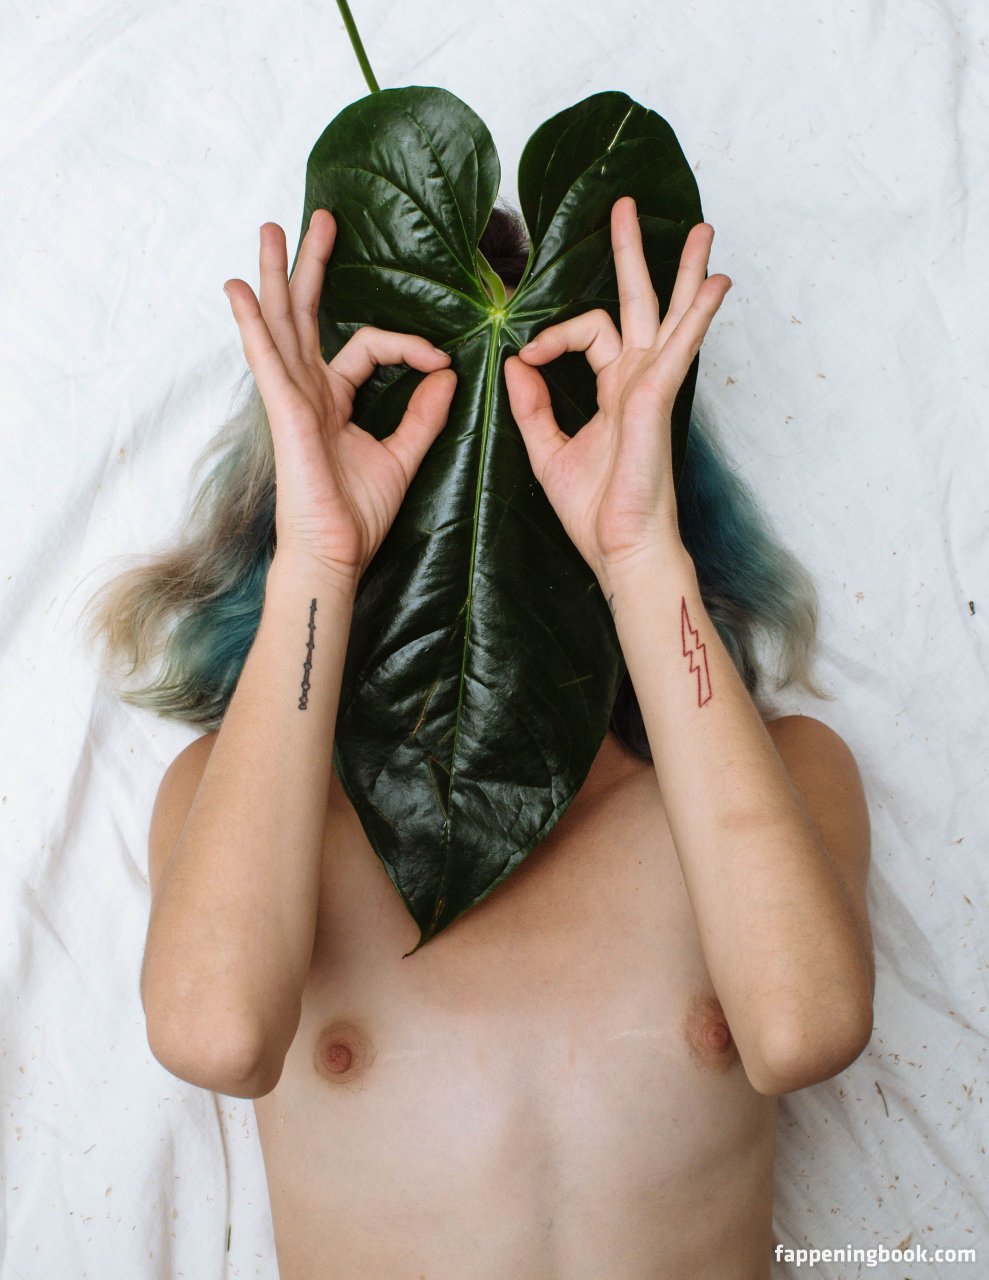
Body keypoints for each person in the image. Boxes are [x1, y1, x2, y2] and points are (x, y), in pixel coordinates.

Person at [86, 195, 874, 1279]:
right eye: (435, 446)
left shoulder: (782, 773)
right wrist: (316, 556)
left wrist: (640, 552)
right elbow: (215, 1032)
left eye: (531, 434)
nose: (484, 508)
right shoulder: (247, 805)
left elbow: (804, 1027)